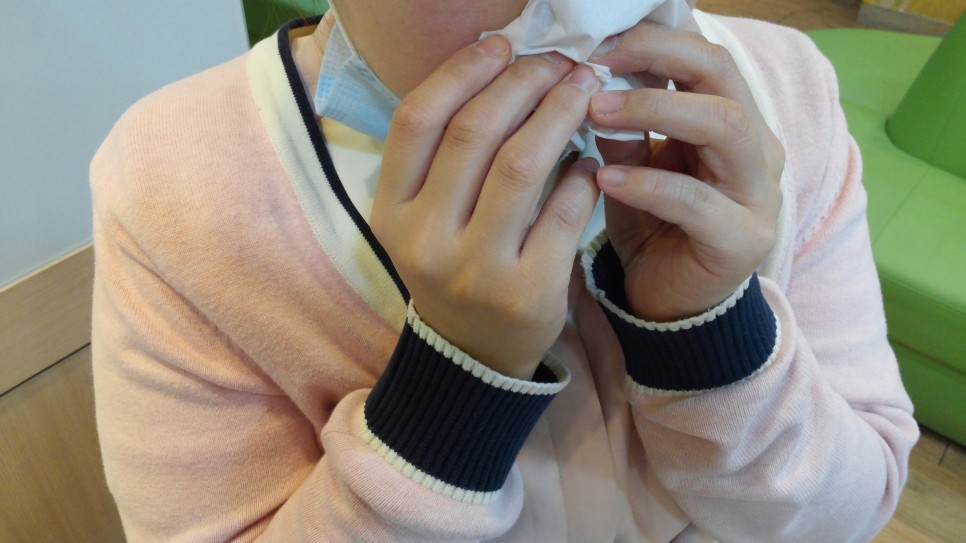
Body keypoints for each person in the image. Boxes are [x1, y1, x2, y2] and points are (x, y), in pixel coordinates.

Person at [89, 0, 919, 541]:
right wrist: (453, 384)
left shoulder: (784, 93)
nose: (584, 11)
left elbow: (850, 508)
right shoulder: (181, 185)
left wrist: (710, 333)